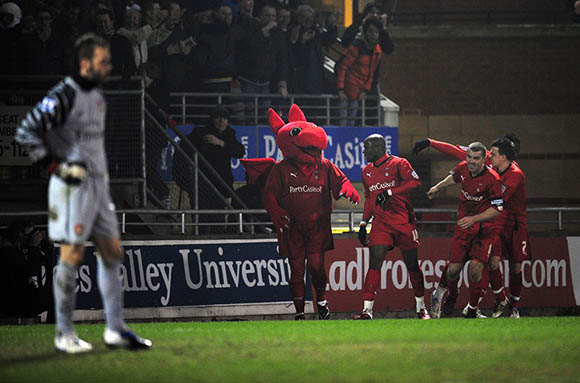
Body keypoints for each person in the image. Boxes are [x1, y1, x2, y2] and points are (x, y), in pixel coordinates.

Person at [15, 33, 151, 353]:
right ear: (85, 63)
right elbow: (27, 131)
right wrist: (57, 167)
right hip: (71, 189)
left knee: (112, 254)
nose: (109, 66)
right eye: (104, 61)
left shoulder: (99, 96)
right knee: (71, 256)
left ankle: (115, 330)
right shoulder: (63, 94)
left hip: (99, 188)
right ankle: (64, 333)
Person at [256, 104, 360, 320]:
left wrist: (347, 189)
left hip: (317, 227)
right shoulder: (280, 170)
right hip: (291, 228)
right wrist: (275, 212)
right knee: (296, 271)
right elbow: (268, 195)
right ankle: (300, 312)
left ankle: (321, 301)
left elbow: (342, 180)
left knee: (316, 266)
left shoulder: (324, 166)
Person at [413, 134, 527, 318]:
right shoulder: (478, 162)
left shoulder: (512, 175)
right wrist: (430, 143)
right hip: (477, 221)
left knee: (497, 264)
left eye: (493, 154)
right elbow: (456, 152)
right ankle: (449, 295)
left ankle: (505, 305)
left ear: (504, 156)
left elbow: (497, 204)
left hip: (505, 224)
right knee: (457, 266)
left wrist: (474, 213)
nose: (490, 157)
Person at [353, 134, 430, 320]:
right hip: (381, 224)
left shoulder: (399, 164)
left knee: (412, 265)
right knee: (375, 260)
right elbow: (370, 199)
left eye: (367, 147)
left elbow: (415, 182)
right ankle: (367, 310)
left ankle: (421, 306)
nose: (364, 151)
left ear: (379, 147)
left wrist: (389, 191)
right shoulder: (366, 172)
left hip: (403, 221)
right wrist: (363, 223)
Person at [428, 142, 504, 319]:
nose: (471, 161)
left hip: (484, 230)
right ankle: (438, 294)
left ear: (484, 159)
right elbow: (454, 178)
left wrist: (474, 219)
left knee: (476, 270)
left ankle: (472, 309)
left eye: (476, 158)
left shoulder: (493, 179)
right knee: (453, 270)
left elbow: (497, 208)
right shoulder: (463, 168)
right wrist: (437, 187)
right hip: (464, 227)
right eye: (469, 157)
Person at [173, 105, 246, 233]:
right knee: (202, 218)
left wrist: (220, 143)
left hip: (220, 183)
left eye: (224, 118)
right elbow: (183, 150)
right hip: (202, 184)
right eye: (218, 118)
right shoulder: (201, 133)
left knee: (218, 218)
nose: (221, 121)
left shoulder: (229, 134)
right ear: (212, 119)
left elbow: (240, 151)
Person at [335, 16, 382, 126]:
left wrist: (365, 91)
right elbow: (343, 67)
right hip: (346, 92)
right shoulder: (356, 47)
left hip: (357, 93)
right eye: (370, 31)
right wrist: (341, 90)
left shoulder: (377, 51)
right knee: (343, 122)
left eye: (376, 31)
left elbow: (371, 72)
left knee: (351, 122)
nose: (373, 34)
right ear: (365, 32)